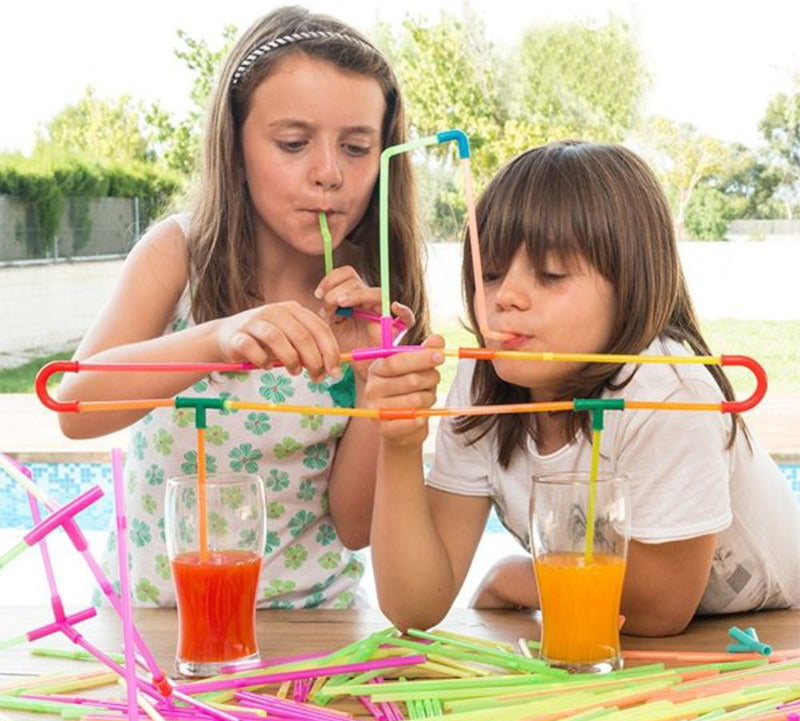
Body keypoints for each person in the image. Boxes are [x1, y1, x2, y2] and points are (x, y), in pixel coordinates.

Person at [57, 6, 429, 609]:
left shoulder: (377, 295)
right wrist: (215, 340)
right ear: (235, 144)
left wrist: (371, 388)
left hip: (313, 630)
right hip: (158, 625)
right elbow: (73, 408)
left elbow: (355, 526)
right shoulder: (179, 255)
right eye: (293, 143)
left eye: (357, 147)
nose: (328, 173)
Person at [366, 140, 800, 636]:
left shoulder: (668, 387)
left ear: (631, 284)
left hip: (772, 629)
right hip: (618, 630)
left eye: (550, 275)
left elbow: (660, 610)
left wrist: (518, 578)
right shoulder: (485, 382)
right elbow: (415, 607)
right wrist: (398, 445)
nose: (505, 296)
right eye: (490, 273)